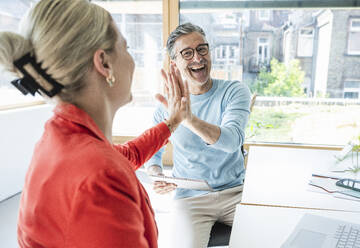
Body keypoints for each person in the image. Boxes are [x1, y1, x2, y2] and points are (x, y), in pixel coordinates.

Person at [0, 0, 189, 247]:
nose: (133, 61)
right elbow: (110, 167)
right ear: (104, 63)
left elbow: (126, 156)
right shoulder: (100, 177)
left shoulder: (60, 138)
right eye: (127, 47)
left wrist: (173, 121)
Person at [145, 22, 251, 247]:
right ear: (175, 63)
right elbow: (152, 157)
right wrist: (158, 176)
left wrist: (187, 118)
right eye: (187, 53)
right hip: (191, 198)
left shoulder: (234, 91)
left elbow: (231, 141)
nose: (198, 58)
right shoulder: (166, 109)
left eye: (202, 49)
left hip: (236, 193)